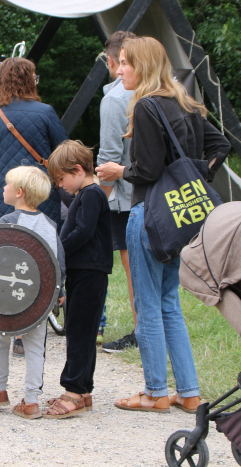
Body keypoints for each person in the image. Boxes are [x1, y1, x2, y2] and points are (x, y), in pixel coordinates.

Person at [96, 36, 230, 413]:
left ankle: (155, 392)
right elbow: (220, 147)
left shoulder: (147, 108)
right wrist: (197, 173)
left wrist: (120, 170)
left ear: (144, 66)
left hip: (148, 215)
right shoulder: (184, 103)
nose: (119, 69)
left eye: (125, 62)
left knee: (148, 304)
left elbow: (148, 171)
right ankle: (188, 393)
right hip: (182, 221)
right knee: (170, 302)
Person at [0, 57, 68, 357]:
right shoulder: (46, 113)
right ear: (30, 81)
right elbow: (62, 160)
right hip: (40, 204)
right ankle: (27, 330)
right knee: (37, 261)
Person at [0, 166, 65, 419]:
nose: (3, 189)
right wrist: (60, 292)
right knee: (36, 347)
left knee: (1, 339)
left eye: (6, 185)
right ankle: (31, 401)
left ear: (18, 193)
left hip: (9, 298)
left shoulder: (8, 223)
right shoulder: (50, 224)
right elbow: (57, 262)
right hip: (39, 299)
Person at [41, 141, 111, 418]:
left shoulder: (91, 194)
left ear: (78, 170)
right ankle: (82, 390)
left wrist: (57, 252)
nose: (59, 186)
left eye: (61, 179)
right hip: (85, 271)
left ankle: (72, 390)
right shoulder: (86, 193)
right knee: (80, 329)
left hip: (90, 271)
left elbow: (82, 232)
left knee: (79, 332)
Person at [97, 30, 139, 353]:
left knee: (132, 265)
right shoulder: (165, 89)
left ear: (111, 62)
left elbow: (109, 156)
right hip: (154, 191)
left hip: (126, 196)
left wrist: (99, 197)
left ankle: (141, 330)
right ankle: (148, 327)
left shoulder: (114, 99)